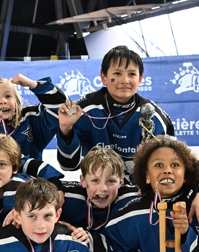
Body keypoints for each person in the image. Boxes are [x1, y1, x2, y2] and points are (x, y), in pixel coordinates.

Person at [57, 45, 174, 178]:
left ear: (140, 79)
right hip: (100, 188)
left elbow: (170, 166)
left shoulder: (154, 115)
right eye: (117, 73)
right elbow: (69, 165)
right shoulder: (85, 111)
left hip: (140, 188)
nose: (125, 81)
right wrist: (66, 129)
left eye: (132, 74)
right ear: (104, 77)